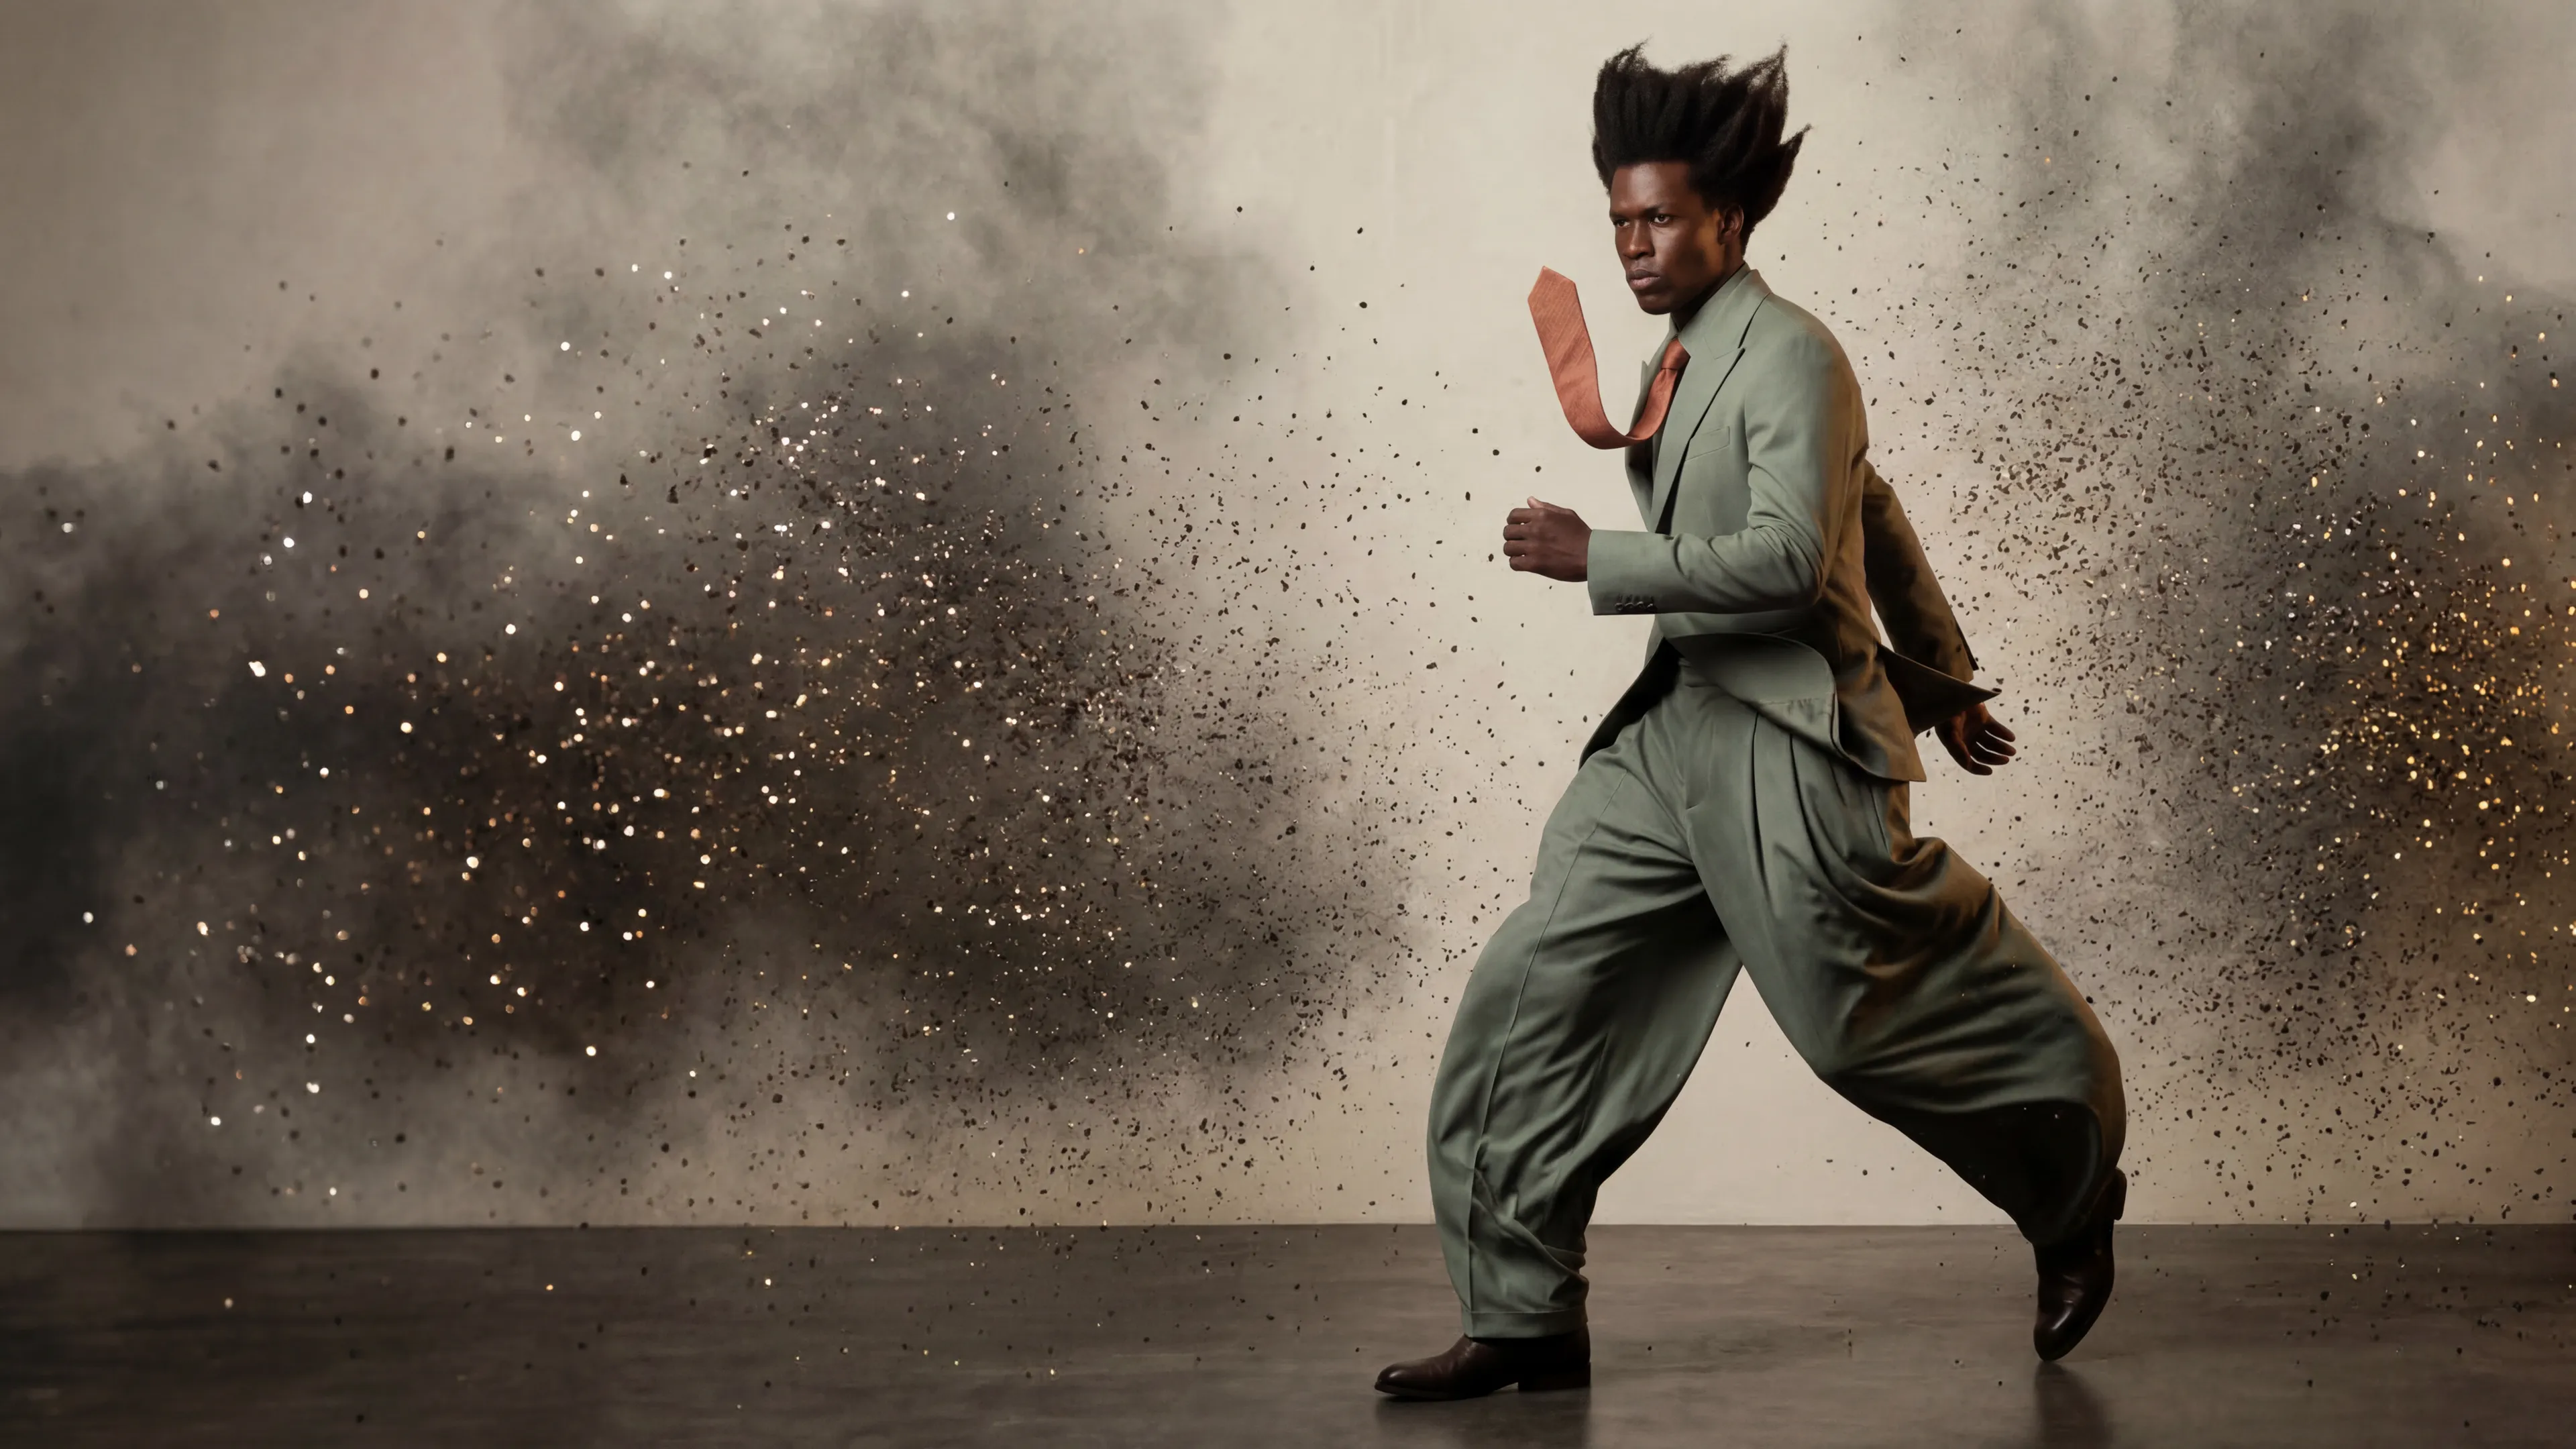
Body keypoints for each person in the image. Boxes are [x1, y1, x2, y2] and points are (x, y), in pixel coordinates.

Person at [1375, 45, 2129, 1401]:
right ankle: (1522, 1309)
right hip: (1671, 737)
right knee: (1534, 996)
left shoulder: (1791, 355)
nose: (1635, 247)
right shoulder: (1681, 358)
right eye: (1619, 221)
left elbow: (1793, 558)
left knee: (1856, 1029)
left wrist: (1594, 557)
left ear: (1731, 218)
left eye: (1659, 219)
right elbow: (1879, 510)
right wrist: (1948, 671)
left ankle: (2070, 1184)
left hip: (1786, 739)